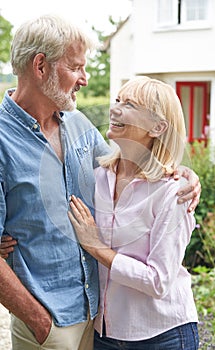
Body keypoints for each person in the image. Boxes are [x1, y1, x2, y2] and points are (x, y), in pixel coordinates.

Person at [0, 14, 200, 350]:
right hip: (49, 324)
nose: (84, 79)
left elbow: (131, 167)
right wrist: (39, 322)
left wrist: (185, 174)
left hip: (99, 321)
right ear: (41, 66)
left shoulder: (78, 124)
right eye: (76, 67)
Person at [68, 76, 200, 350]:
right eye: (117, 100)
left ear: (157, 126)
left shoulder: (172, 192)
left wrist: (95, 246)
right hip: (105, 333)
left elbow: (158, 281)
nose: (115, 109)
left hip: (162, 336)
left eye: (129, 104)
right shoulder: (97, 178)